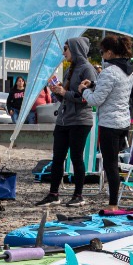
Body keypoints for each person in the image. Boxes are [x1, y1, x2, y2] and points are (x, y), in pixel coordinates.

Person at [39, 36, 97, 207]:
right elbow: (65, 97)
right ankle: (53, 194)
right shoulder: (70, 69)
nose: (63, 53)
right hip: (64, 120)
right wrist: (57, 91)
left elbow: (86, 98)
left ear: (75, 49)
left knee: (76, 157)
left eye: (65, 49)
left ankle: (78, 195)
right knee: (57, 157)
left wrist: (64, 93)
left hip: (80, 120)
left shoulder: (87, 69)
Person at [81, 33, 133, 210]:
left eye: (102, 52)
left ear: (110, 53)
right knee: (114, 163)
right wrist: (93, 85)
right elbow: (114, 90)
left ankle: (113, 205)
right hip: (123, 122)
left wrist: (83, 90)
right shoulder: (128, 71)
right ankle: (114, 202)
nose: (102, 55)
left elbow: (95, 101)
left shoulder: (109, 72)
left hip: (110, 124)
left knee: (110, 165)